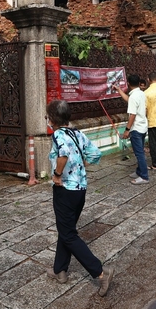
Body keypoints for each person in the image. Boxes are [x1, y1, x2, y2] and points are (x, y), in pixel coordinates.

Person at [46, 99, 114, 296]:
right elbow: (95, 154)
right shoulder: (77, 133)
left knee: (68, 234)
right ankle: (60, 270)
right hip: (80, 189)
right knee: (65, 229)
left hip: (65, 190)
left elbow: (64, 154)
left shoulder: (58, 135)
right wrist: (81, 164)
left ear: (52, 119)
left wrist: (58, 175)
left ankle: (100, 272)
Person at [113, 74, 150, 185]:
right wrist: (119, 90)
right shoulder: (140, 93)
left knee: (139, 154)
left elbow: (132, 115)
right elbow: (130, 100)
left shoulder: (134, 96)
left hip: (136, 128)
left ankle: (144, 176)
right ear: (139, 83)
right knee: (140, 151)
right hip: (142, 126)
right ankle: (139, 172)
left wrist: (127, 130)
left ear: (128, 83)